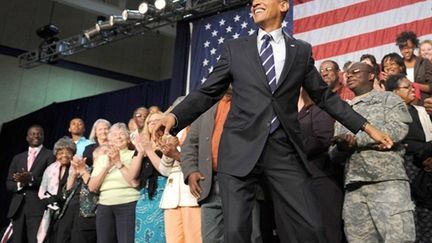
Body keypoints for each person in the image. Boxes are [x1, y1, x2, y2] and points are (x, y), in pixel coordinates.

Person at [153, 0, 393, 242]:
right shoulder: (235, 48)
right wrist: (174, 116)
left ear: (282, 5)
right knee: (236, 231)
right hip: (238, 148)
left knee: (312, 225)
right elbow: (207, 92)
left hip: (283, 149)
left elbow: (324, 96)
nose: (255, 2)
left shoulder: (299, 50)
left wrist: (367, 127)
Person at [331, 62, 415, 242]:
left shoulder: (388, 99)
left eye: (355, 72)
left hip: (387, 182)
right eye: (347, 74)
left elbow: (397, 130)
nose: (349, 76)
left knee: (399, 239)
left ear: (371, 75)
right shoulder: (343, 110)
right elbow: (333, 153)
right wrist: (341, 146)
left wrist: (357, 141)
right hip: (354, 187)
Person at [385, 73, 432, 242]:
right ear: (394, 92)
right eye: (407, 87)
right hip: (404, 169)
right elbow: (400, 143)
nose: (413, 89)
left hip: (426, 169)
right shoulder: (388, 115)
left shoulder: (423, 111)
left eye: (413, 86)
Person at [88, 123, 140, 243]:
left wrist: (118, 163)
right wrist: (106, 168)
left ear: (128, 139)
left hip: (128, 203)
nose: (118, 137)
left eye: (122, 134)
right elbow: (91, 187)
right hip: (104, 206)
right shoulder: (102, 158)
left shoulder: (134, 155)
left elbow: (134, 183)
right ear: (109, 140)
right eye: (115, 135)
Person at [6, 125, 55, 243]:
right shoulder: (18, 158)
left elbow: (51, 180)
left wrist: (31, 179)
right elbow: (8, 183)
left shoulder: (50, 155)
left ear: (43, 137)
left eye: (39, 134)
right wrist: (20, 184)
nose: (36, 136)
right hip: (17, 209)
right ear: (27, 137)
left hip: (37, 207)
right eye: (33, 134)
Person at [37, 137, 79, 243]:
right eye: (60, 152)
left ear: (73, 153)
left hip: (71, 210)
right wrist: (48, 199)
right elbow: (42, 189)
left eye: (68, 152)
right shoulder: (50, 169)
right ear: (56, 154)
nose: (64, 155)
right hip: (52, 211)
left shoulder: (79, 167)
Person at [396, 31, 432, 102]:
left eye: (409, 48)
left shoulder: (424, 62)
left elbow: (431, 87)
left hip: (422, 104)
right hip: (404, 105)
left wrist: (412, 84)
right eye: (403, 48)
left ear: (414, 47)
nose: (406, 51)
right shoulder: (398, 64)